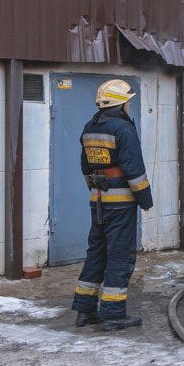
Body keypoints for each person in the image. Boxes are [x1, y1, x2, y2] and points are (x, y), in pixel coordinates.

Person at [71, 79, 153, 331]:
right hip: (121, 204)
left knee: (96, 253)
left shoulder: (90, 126)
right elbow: (133, 168)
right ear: (120, 103)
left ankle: (85, 311)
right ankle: (114, 314)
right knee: (120, 255)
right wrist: (145, 199)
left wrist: (96, 189)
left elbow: (86, 166)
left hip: (97, 202)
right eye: (128, 100)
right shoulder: (123, 128)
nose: (130, 104)